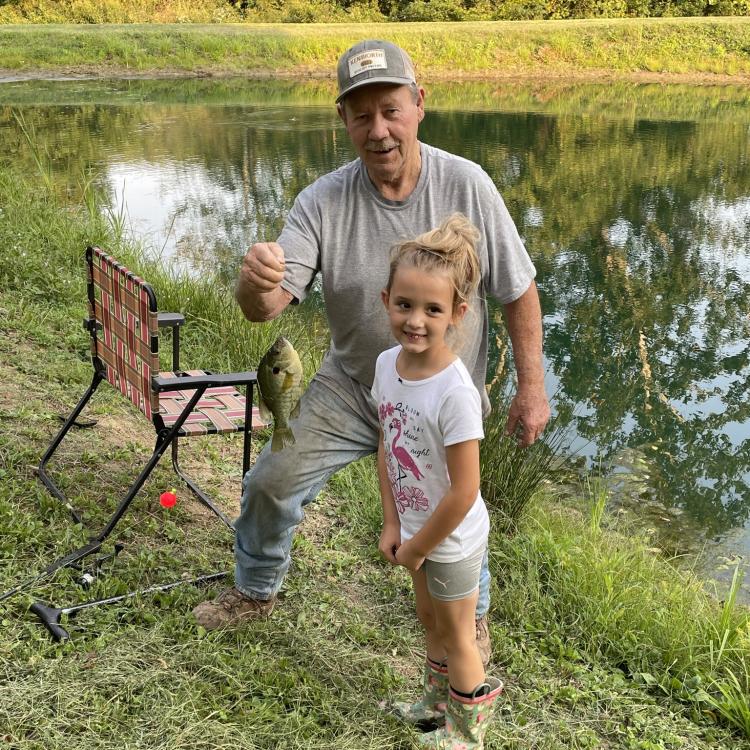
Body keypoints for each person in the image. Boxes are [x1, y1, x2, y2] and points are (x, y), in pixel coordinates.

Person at [192, 39, 551, 669]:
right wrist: (254, 283)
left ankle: (473, 623)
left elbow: (520, 292)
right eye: (361, 115)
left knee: (455, 507)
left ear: (419, 104)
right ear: (344, 121)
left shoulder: (468, 184)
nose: (378, 130)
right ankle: (254, 590)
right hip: (355, 383)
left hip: (442, 396)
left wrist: (531, 388)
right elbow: (268, 306)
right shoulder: (320, 201)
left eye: (390, 109)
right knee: (271, 481)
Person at [374, 213, 503, 747]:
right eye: (405, 305)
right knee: (428, 619)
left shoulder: (455, 392)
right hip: (416, 531)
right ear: (386, 301)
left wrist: (421, 545)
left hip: (450, 537)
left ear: (458, 313)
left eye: (433, 308)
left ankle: (467, 734)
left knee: (458, 634)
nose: (416, 320)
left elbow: (464, 490)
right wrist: (393, 524)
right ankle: (435, 702)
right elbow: (387, 446)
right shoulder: (386, 366)